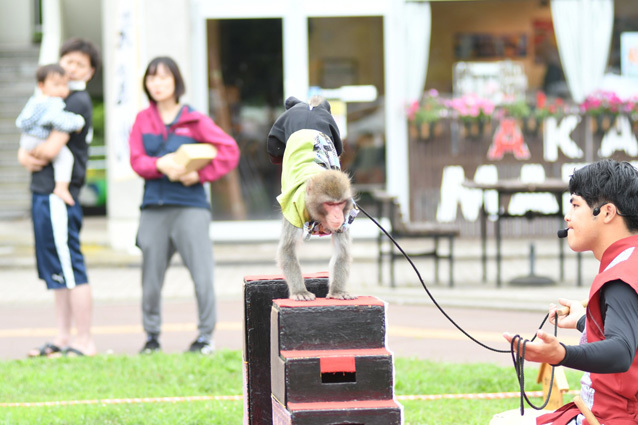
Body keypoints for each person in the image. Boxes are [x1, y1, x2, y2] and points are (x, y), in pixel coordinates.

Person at [503, 159, 638, 425]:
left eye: (576, 205)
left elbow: (622, 351)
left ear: (607, 212)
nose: (568, 216)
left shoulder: (620, 276)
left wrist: (561, 354)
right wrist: (583, 322)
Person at [129, 56, 240, 354]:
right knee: (150, 280)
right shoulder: (143, 120)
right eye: (152, 78)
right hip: (153, 208)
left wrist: (200, 174)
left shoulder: (194, 119)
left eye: (164, 77)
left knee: (202, 276)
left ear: (176, 82)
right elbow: (137, 160)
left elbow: (229, 151)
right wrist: (160, 164)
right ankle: (151, 338)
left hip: (191, 207)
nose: (158, 83)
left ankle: (205, 338)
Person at [18, 38, 101, 357]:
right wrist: (27, 156)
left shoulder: (76, 101)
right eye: (67, 61)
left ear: (90, 72)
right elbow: (24, 151)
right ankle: (63, 338)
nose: (70, 67)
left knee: (70, 266)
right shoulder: (53, 98)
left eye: (79, 64)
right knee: (56, 268)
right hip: (43, 192)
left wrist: (29, 155)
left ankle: (84, 340)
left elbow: (49, 149)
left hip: (58, 196)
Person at [16, 63, 86, 206]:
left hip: (28, 140)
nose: (62, 89)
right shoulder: (52, 102)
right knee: (65, 158)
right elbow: (58, 120)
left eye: (64, 85)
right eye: (56, 85)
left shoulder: (35, 101)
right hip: (39, 139)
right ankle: (61, 188)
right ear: (42, 86)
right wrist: (77, 122)